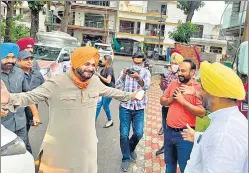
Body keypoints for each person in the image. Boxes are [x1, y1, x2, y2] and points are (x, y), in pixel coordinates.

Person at [1, 46, 141, 173]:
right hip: (58, 148)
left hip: (86, 147)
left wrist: (131, 96)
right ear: (75, 63)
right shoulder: (56, 82)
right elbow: (30, 96)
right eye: (86, 64)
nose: (91, 68)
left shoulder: (95, 82)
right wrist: (9, 99)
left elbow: (112, 92)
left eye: (93, 65)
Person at [182, 61, 248, 173]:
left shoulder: (224, 135)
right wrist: (198, 136)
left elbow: (220, 142)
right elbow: (213, 142)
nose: (199, 92)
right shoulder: (229, 119)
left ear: (216, 96)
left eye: (202, 88)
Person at [160, 59, 206, 173]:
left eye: (183, 71)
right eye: (179, 70)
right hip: (169, 131)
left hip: (185, 135)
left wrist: (183, 101)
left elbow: (202, 113)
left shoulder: (197, 88)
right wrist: (172, 99)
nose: (179, 73)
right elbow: (162, 101)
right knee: (169, 165)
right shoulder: (174, 83)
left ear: (192, 72)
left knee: (185, 167)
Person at [115, 53, 151, 172]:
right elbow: (117, 85)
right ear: (132, 61)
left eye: (139, 63)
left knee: (139, 133)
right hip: (125, 106)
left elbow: (146, 87)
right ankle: (125, 158)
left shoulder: (146, 73)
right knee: (123, 134)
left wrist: (138, 78)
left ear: (142, 62)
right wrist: (124, 76)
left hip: (139, 107)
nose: (136, 66)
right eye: (135, 63)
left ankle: (130, 147)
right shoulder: (125, 71)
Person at [0, 43, 37, 152]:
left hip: (20, 124)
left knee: (22, 152)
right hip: (3, 126)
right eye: (6, 57)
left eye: (13, 57)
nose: (10, 60)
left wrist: (35, 114)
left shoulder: (19, 73)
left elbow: (27, 95)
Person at [156, 50, 184, 156]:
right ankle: (165, 146)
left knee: (175, 128)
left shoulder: (181, 76)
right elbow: (163, 87)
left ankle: (175, 148)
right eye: (173, 63)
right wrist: (162, 79)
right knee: (165, 126)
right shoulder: (167, 74)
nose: (174, 65)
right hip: (166, 104)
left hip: (177, 106)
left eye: (176, 63)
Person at [16, 50, 45, 153]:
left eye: (31, 59)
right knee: (21, 138)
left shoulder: (37, 74)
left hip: (31, 111)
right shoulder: (15, 74)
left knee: (25, 134)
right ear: (18, 61)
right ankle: (27, 156)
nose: (29, 61)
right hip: (18, 111)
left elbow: (44, 89)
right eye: (26, 59)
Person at [95, 55, 115, 128]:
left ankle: (110, 120)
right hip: (103, 89)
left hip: (109, 90)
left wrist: (99, 75)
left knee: (105, 106)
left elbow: (108, 80)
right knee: (98, 105)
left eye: (103, 60)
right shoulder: (103, 69)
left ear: (107, 61)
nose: (102, 61)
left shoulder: (109, 69)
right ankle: (93, 120)